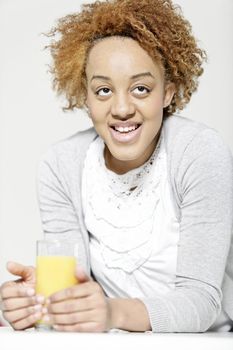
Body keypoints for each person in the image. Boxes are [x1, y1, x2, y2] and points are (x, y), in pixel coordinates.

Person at [0, 0, 233, 333]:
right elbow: (76, 297)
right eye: (104, 90)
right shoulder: (61, 166)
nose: (122, 108)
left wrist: (113, 313)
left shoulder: (199, 152)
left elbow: (201, 301)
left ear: (167, 93)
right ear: (86, 97)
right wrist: (38, 302)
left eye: (141, 88)